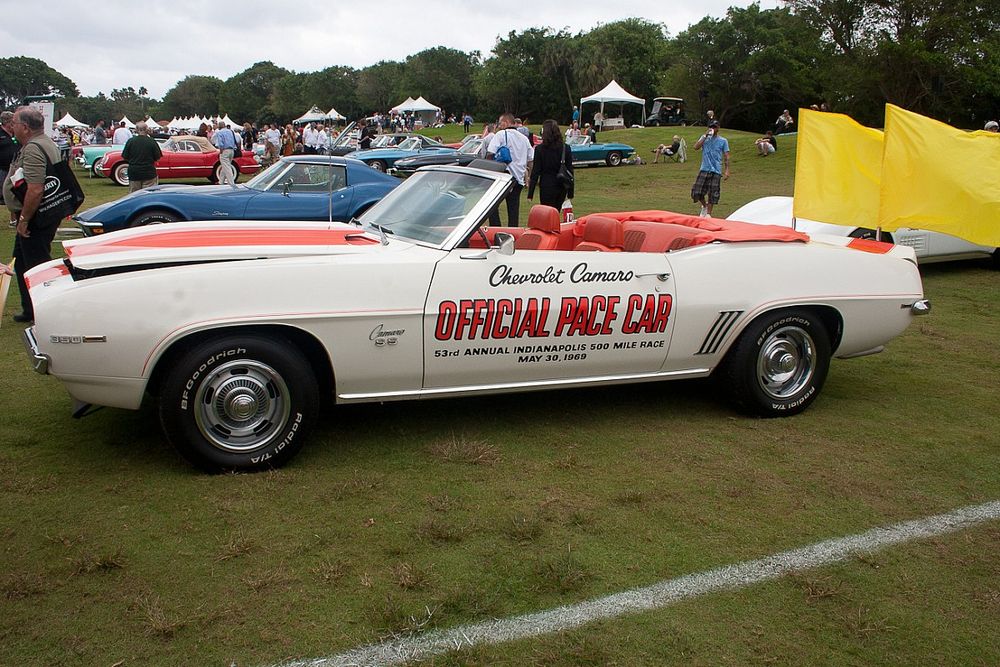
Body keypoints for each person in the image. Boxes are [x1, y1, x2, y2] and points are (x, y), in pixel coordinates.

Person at [3, 107, 63, 323]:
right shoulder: (43, 142)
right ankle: (30, 309)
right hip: (41, 213)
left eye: (15, 123)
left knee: (37, 265)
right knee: (21, 261)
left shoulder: (34, 148)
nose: (12, 127)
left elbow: (36, 188)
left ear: (26, 127)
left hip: (36, 216)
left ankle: (44, 311)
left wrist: (24, 219)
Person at [486, 113, 533, 227]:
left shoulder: (501, 135)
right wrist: (529, 176)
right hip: (518, 179)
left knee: (492, 205)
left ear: (506, 123)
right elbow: (530, 159)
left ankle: (496, 228)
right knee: (513, 210)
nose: (498, 125)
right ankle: (513, 233)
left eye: (500, 122)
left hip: (503, 176)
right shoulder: (524, 139)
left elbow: (490, 152)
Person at [527, 119, 574, 210]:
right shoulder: (565, 148)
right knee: (556, 211)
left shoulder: (540, 149)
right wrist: (570, 192)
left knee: (547, 212)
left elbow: (535, 171)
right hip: (561, 184)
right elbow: (570, 170)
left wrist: (530, 193)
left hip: (546, 185)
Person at [691, 120, 731, 218]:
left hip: (716, 170)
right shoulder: (705, 138)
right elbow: (696, 147)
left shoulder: (723, 141)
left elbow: (726, 156)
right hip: (704, 168)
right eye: (711, 127)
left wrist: (727, 170)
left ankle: (709, 213)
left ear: (718, 128)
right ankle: (704, 206)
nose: (713, 129)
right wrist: (705, 136)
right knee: (697, 191)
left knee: (713, 193)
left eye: (715, 127)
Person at [121, 121, 162, 192]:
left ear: (136, 130)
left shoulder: (131, 141)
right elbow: (157, 157)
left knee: (134, 195)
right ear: (147, 129)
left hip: (134, 172)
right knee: (149, 195)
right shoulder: (151, 141)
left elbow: (125, 156)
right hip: (149, 172)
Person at [211, 122, 238, 186]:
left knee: (227, 167)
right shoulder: (230, 131)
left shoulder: (219, 132)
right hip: (232, 150)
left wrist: (221, 151)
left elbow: (220, 143)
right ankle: (221, 181)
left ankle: (231, 183)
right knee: (225, 166)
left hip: (225, 150)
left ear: (219, 126)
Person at [0, 111, 17, 206]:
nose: (14, 124)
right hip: (3, 170)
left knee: (14, 196)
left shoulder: (16, 134)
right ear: (7, 123)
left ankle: (13, 220)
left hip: (15, 169)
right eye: (12, 122)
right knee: (5, 194)